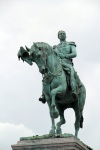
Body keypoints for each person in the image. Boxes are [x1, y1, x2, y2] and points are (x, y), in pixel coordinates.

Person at [53, 30, 77, 99]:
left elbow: (74, 54)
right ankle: (44, 94)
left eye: (64, 34)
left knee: (71, 73)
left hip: (67, 63)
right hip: (57, 65)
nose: (62, 35)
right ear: (58, 37)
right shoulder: (55, 47)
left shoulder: (70, 44)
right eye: (61, 34)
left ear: (66, 36)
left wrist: (65, 56)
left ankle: (73, 90)